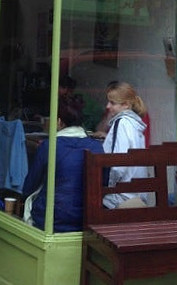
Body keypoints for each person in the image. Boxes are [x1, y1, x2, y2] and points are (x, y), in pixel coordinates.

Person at [22, 95, 104, 232]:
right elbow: (103, 184)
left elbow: (29, 186)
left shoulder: (49, 146)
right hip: (86, 220)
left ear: (59, 121)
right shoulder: (96, 147)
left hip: (51, 220)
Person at [102, 81, 149, 209]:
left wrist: (106, 189)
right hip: (136, 195)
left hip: (120, 197)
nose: (107, 106)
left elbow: (118, 164)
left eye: (112, 103)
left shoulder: (121, 123)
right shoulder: (135, 124)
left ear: (126, 105)